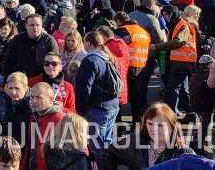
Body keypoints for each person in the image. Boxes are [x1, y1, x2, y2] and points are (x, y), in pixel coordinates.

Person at [102, 102, 194, 169]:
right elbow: (109, 153)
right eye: (150, 124)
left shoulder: (184, 152)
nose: (154, 129)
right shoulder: (134, 141)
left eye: (160, 125)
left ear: (172, 127)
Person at [74, 31, 120, 164]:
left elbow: (84, 88)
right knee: (107, 144)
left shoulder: (90, 60)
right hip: (112, 106)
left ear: (88, 43)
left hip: (97, 108)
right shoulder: (107, 57)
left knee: (98, 147)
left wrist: (81, 109)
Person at [27, 82, 66, 170]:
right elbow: (30, 149)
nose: (33, 101)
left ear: (51, 99)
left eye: (39, 98)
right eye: (32, 97)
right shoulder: (34, 118)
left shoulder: (60, 120)